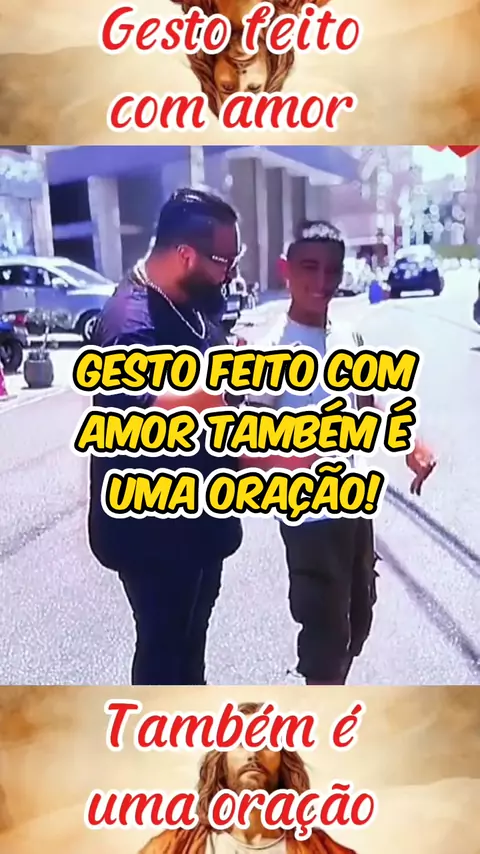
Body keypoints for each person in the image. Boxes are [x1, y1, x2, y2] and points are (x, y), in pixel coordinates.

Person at [248, 220, 437, 686]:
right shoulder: (270, 352)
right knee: (325, 637)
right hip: (307, 518)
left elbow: (367, 404)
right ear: (286, 270)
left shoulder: (348, 336)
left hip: (352, 508)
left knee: (359, 618)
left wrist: (410, 445)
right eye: (309, 267)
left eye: (332, 269)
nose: (322, 281)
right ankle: (320, 714)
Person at [88, 188, 245, 687]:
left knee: (190, 648)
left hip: (200, 525)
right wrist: (212, 390)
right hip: (154, 537)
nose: (231, 272)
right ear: (185, 255)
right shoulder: (129, 324)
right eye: (224, 261)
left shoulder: (188, 300)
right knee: (164, 654)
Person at [139, 702, 358, 854]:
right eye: (241, 742)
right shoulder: (172, 847)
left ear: (284, 761)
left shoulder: (324, 850)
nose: (253, 753)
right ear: (221, 762)